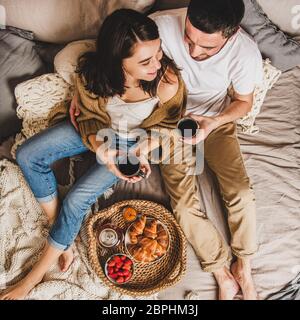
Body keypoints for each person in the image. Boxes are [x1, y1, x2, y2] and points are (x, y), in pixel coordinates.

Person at [70, 0, 263, 300]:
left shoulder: (246, 54)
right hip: (170, 124)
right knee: (184, 206)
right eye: (189, 39)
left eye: (207, 48)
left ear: (232, 32)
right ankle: (221, 272)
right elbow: (116, 50)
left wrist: (214, 122)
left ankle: (245, 268)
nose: (194, 52)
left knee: (240, 192)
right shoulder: (160, 25)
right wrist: (84, 95)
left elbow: (244, 102)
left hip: (214, 123)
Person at [0, 9, 186, 300]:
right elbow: (87, 117)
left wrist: (142, 151)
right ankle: (59, 231)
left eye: (159, 53)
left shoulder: (166, 82)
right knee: (27, 154)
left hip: (132, 143)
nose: (157, 65)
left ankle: (30, 281)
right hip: (96, 133)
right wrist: (101, 148)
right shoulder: (92, 73)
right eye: (146, 60)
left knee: (76, 201)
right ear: (117, 61)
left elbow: (170, 126)